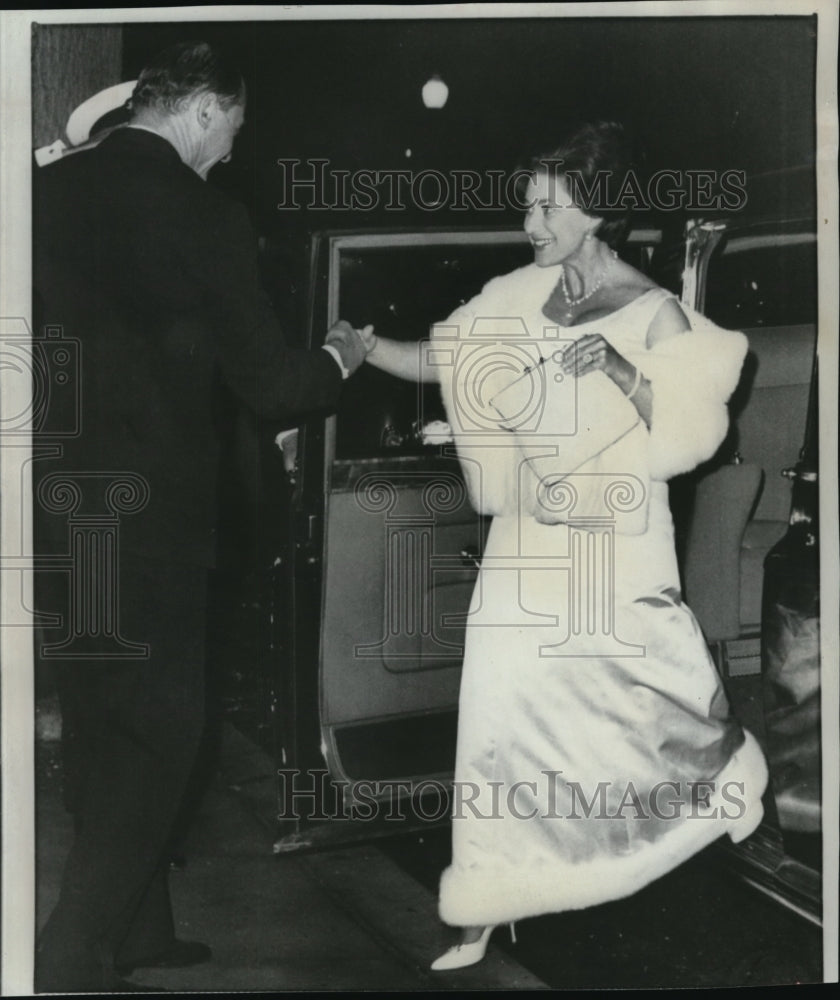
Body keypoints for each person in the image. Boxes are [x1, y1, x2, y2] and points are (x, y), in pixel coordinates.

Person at [358, 121, 768, 971]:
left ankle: (726, 774)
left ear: (600, 211)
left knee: (641, 699)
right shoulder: (516, 293)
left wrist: (619, 372)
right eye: (529, 205)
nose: (531, 222)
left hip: (616, 542)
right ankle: (487, 897)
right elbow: (442, 356)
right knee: (499, 714)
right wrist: (361, 350)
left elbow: (697, 431)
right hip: (527, 541)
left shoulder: (653, 309)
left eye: (550, 207)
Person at [32, 40, 369, 992]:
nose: (231, 150)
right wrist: (340, 355)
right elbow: (268, 382)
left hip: (65, 507)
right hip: (154, 518)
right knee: (165, 733)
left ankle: (140, 929)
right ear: (208, 111)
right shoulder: (208, 215)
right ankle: (72, 947)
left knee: (103, 715)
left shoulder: (43, 198)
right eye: (234, 129)